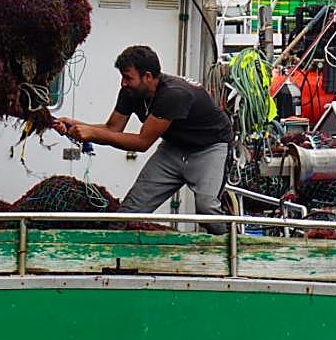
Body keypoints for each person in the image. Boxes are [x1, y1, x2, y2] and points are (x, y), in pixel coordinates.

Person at [54, 45, 231, 231]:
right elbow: (112, 128)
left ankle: (238, 247)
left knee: (206, 209)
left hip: (210, 148)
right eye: (122, 77)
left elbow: (142, 142)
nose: (123, 83)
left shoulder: (173, 94)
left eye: (128, 77)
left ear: (147, 76)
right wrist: (75, 126)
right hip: (174, 148)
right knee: (128, 215)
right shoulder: (131, 92)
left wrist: (91, 134)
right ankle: (113, 258)